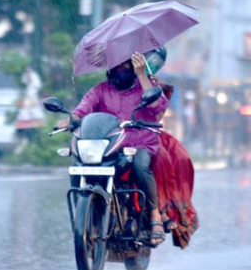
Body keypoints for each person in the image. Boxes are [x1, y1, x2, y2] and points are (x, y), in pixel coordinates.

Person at [58, 51, 176, 246]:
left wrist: (141, 75)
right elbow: (82, 110)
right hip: (109, 146)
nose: (120, 69)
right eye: (116, 65)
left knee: (140, 165)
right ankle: (86, 215)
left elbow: (157, 107)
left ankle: (155, 214)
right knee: (78, 164)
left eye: (125, 65)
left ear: (134, 65)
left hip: (139, 143)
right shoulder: (100, 90)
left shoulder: (146, 85)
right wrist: (71, 119)